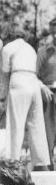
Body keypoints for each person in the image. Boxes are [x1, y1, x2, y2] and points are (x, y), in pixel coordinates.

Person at [0, 28, 51, 168]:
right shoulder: (30, 48)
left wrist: (5, 94)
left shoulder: (8, 47)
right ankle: (41, 162)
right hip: (33, 82)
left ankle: (12, 161)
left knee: (16, 124)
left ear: (10, 36)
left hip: (19, 80)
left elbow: (5, 73)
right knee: (36, 124)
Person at [36, 16, 56, 160]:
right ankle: (49, 167)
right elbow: (33, 75)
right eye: (53, 32)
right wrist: (42, 87)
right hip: (48, 95)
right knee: (48, 132)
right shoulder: (43, 51)